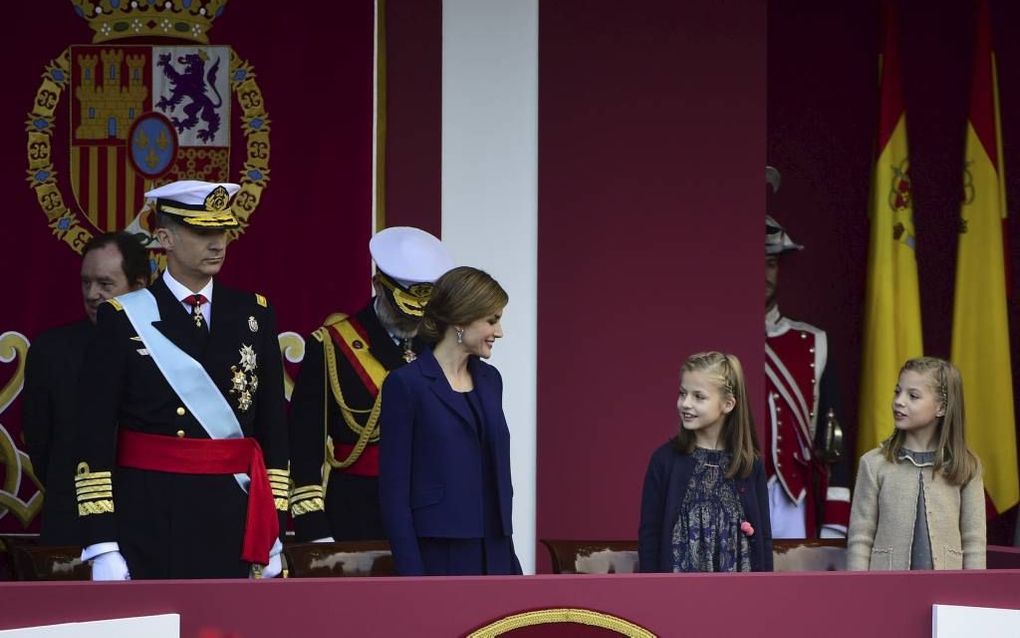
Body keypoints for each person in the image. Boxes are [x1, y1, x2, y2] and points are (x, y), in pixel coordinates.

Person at [73, 180, 289, 580]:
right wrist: (102, 543)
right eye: (202, 231)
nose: (217, 243)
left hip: (235, 519)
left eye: (222, 230)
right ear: (164, 237)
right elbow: (94, 437)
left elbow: (273, 429)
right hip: (151, 519)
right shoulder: (122, 318)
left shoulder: (254, 314)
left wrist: (274, 524)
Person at [288, 226, 453, 542]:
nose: (413, 319)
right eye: (404, 306)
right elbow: (305, 446)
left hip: (433, 514)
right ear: (378, 284)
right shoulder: (332, 346)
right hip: (358, 513)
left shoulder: (443, 344)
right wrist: (314, 529)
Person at [378, 266, 520, 575]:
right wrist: (412, 575)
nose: (499, 332)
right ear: (460, 319)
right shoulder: (406, 385)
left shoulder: (490, 380)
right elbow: (394, 492)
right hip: (438, 555)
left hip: (495, 549)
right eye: (492, 321)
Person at [22, 232, 149, 545]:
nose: (92, 294)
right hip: (72, 521)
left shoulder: (168, 350)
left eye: (105, 284)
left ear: (140, 286)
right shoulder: (51, 351)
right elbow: (40, 443)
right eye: (86, 282)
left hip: (149, 523)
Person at [765, 187, 850, 538]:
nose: (763, 273)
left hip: (790, 497)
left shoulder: (812, 341)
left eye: (770, 263)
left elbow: (833, 441)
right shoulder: (713, 344)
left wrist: (835, 521)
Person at [639, 351, 773, 573]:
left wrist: (766, 591)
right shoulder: (664, 461)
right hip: (677, 596)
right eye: (683, 394)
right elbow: (650, 537)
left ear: (728, 404)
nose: (685, 403)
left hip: (738, 595)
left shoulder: (749, 464)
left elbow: (764, 538)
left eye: (698, 396)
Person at [847, 357, 985, 570]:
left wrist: (973, 595)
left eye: (913, 396)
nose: (899, 401)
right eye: (897, 391)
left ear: (940, 407)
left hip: (947, 592)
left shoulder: (967, 466)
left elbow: (974, 541)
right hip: (886, 591)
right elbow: (860, 539)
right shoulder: (873, 464)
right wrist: (859, 592)